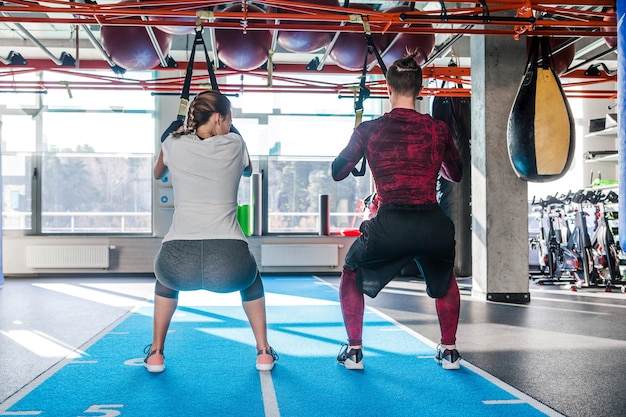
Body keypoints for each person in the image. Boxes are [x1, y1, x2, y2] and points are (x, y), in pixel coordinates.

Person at [331, 52, 463, 371]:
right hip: (432, 223)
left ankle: (355, 351)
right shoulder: (438, 130)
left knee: (351, 271)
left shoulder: (370, 130)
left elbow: (337, 171)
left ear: (388, 89)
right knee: (445, 279)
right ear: (420, 89)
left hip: (390, 224)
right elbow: (454, 174)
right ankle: (449, 352)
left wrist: (358, 149)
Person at [145, 90, 278, 373]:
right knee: (252, 281)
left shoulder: (172, 143)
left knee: (164, 280)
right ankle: (263, 351)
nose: (230, 125)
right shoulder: (235, 143)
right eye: (229, 119)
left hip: (177, 262)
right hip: (230, 264)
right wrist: (234, 134)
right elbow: (247, 170)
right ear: (219, 118)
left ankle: (156, 353)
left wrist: (166, 140)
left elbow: (158, 174)